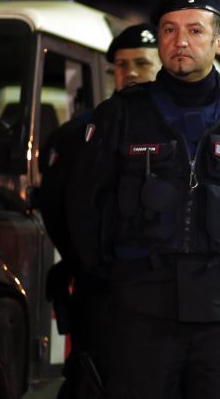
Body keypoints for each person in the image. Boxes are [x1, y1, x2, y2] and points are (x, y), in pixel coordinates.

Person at [66, 0, 220, 398]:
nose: (181, 42)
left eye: (195, 30)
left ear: (218, 42)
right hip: (140, 313)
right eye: (170, 31)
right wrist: (116, 279)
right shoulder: (120, 115)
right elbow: (84, 204)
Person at [38, 23, 162, 398]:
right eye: (121, 66)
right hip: (101, 290)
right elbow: (57, 208)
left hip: (167, 291)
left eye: (142, 62)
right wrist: (88, 263)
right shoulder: (79, 134)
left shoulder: (187, 127)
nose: (132, 73)